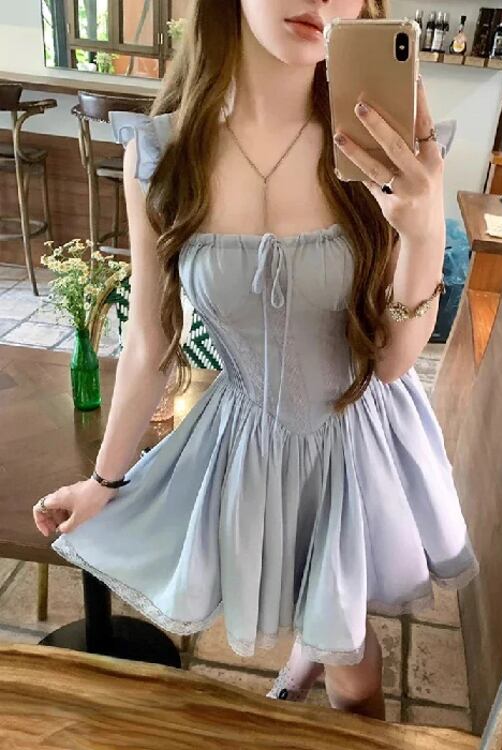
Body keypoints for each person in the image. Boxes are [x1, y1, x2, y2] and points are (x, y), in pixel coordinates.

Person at [32, 0, 478, 721]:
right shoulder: (164, 154)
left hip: (357, 439)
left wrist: (424, 232)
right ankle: (303, 662)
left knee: (353, 671)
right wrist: (104, 480)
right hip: (246, 440)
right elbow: (150, 337)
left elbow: (395, 362)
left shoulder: (381, 146)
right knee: (308, 603)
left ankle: (327, 677)